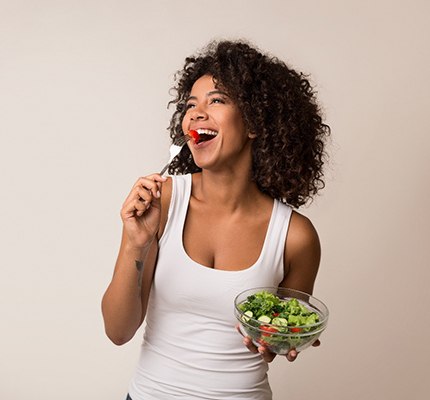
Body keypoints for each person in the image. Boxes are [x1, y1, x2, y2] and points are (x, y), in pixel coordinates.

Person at [101, 39, 330, 400]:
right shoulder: (160, 203)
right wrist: (136, 241)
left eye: (217, 101)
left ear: (254, 122)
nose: (195, 114)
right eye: (190, 105)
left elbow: (273, 340)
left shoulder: (295, 236)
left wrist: (282, 339)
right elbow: (117, 330)